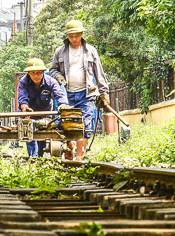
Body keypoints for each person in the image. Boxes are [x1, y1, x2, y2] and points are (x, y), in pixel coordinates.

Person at [49, 20, 109, 159]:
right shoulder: (60, 52)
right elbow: (52, 70)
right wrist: (59, 77)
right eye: (71, 36)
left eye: (76, 36)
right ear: (67, 37)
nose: (74, 39)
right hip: (67, 95)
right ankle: (69, 148)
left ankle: (79, 157)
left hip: (87, 94)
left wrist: (104, 93)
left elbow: (99, 72)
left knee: (85, 124)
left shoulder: (91, 51)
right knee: (67, 123)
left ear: (82, 34)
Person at [17, 58, 69, 157]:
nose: (36, 76)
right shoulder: (23, 82)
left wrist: (62, 105)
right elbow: (22, 98)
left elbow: (59, 95)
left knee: (43, 138)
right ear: (28, 73)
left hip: (45, 113)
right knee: (29, 132)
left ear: (43, 72)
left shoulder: (51, 82)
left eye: (39, 73)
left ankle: (39, 157)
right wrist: (25, 109)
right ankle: (33, 158)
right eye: (33, 73)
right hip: (29, 113)